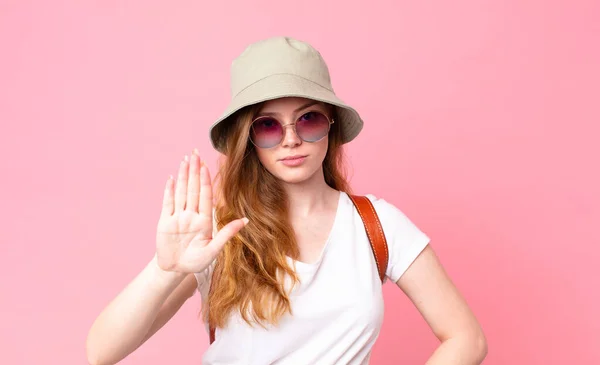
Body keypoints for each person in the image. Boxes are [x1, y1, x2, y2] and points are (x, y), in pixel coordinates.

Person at [86, 36, 487, 365]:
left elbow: (466, 337)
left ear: (331, 123)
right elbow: (101, 351)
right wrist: (164, 269)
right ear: (248, 139)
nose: (291, 139)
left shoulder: (376, 225)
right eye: (268, 125)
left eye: (308, 118)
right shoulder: (218, 235)